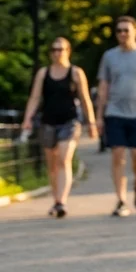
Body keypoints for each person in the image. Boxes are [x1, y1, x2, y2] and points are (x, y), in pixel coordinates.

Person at [20, 37, 97, 217]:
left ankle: (62, 201)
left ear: (68, 51)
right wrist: (27, 118)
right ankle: (56, 199)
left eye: (60, 49)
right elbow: (35, 97)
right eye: (54, 50)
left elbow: (85, 99)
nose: (57, 53)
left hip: (70, 121)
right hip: (48, 121)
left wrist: (91, 122)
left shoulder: (76, 73)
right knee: (52, 164)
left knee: (64, 158)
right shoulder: (43, 73)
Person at [96, 16, 136, 217]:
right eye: (119, 31)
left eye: (126, 30)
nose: (123, 34)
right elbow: (104, 86)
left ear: (135, 31)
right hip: (115, 111)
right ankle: (121, 199)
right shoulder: (109, 56)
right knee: (117, 154)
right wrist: (99, 115)